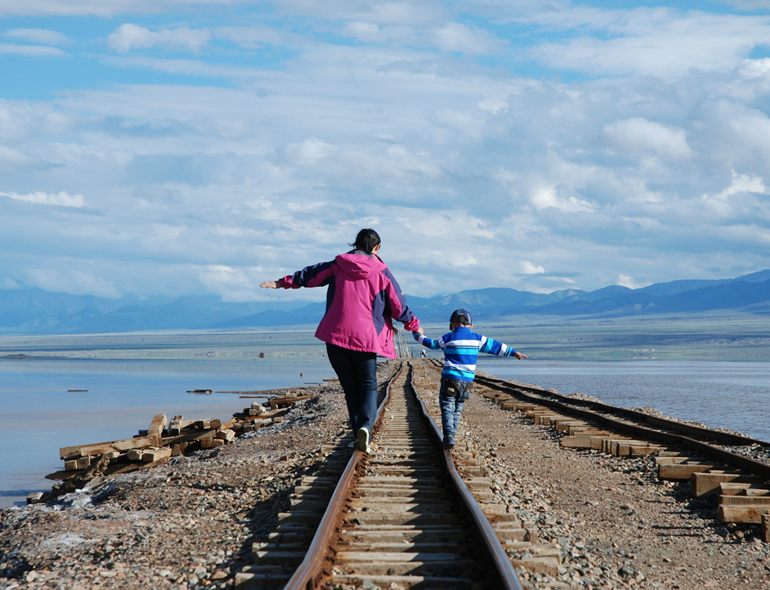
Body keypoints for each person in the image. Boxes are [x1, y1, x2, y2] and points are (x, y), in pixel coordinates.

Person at [260, 229, 421, 454]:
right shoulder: (382, 272)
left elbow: (310, 275)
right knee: (368, 386)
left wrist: (281, 283)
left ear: (355, 244)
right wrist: (414, 325)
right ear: (377, 248)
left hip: (335, 337)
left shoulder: (338, 264)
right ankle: (365, 428)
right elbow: (398, 306)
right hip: (365, 339)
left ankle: (358, 434)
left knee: (350, 388)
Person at [413, 308, 526, 449]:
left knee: (448, 407)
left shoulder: (448, 337)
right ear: (471, 326)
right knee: (457, 409)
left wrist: (417, 335)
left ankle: (448, 436)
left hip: (450, 379)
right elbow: (495, 346)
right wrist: (513, 352)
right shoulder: (478, 339)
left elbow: (432, 344)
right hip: (467, 382)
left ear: (452, 324)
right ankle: (452, 436)